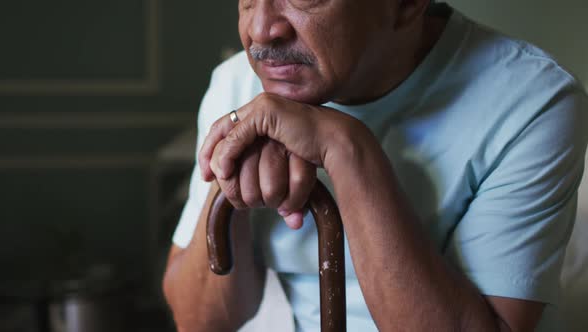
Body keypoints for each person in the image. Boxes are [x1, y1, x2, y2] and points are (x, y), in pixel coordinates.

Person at [163, 0, 588, 331]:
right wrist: (232, 178)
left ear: (406, 4)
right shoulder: (236, 83)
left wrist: (347, 149)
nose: (260, 29)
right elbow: (197, 322)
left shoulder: (533, 103)